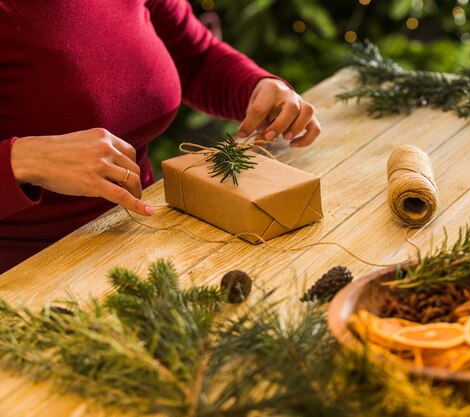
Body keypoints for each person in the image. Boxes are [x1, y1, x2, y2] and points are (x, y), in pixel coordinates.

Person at [0, 0, 321, 274]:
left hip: (145, 236)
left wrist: (258, 87)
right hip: (24, 276)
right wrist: (21, 160)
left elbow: (194, 57)